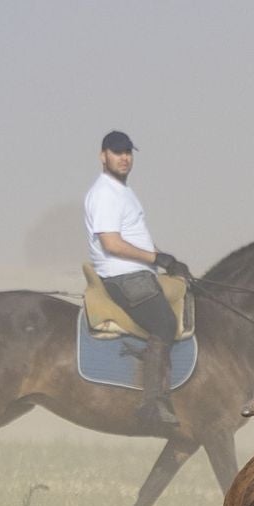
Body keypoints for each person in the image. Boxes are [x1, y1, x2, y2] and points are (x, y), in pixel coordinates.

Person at [84, 130, 191, 430]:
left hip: (139, 272)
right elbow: (112, 244)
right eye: (117, 152)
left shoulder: (123, 192)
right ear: (102, 156)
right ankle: (151, 403)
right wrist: (157, 259)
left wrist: (168, 260)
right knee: (165, 324)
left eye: (128, 152)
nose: (124, 158)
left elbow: (137, 239)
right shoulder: (104, 193)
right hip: (122, 276)